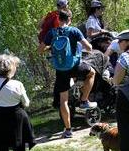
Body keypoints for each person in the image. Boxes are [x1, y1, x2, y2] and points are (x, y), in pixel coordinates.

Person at [38, 9, 97, 138]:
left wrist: (51, 47)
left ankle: (68, 130)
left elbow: (40, 50)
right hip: (74, 67)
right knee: (92, 72)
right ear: (69, 19)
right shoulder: (74, 31)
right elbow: (89, 48)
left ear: (59, 20)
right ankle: (84, 100)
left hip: (60, 70)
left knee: (63, 100)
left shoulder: (51, 33)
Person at [0, 54, 36, 151]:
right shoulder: (17, 84)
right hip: (15, 119)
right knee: (18, 145)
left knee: (0, 146)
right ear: (11, 69)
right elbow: (26, 103)